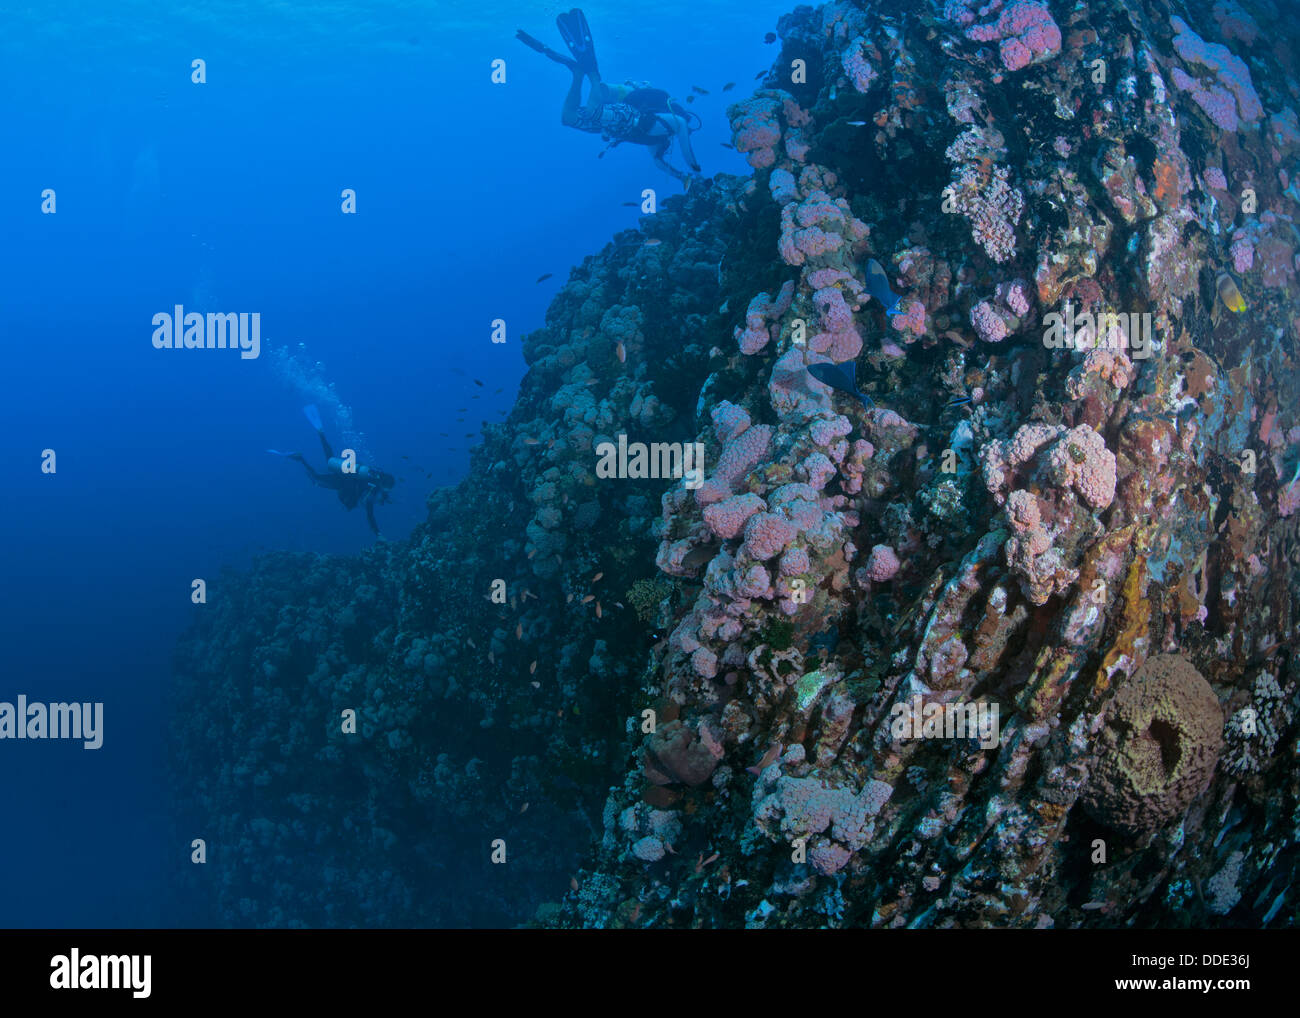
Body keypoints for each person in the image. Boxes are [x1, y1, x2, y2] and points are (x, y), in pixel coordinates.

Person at [517, 8, 703, 187]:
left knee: (568, 118)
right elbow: (682, 128)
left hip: (615, 126)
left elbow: (658, 162)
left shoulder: (659, 140)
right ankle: (593, 75)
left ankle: (577, 74)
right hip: (630, 116)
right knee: (594, 111)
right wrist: (696, 170)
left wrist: (682, 178)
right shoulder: (674, 123)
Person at [269, 405, 395, 537]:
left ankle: (321, 433)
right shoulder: (372, 489)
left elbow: (371, 503)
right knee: (316, 477)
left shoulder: (373, 478)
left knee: (329, 459)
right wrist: (378, 533)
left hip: (347, 472)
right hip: (341, 481)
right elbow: (370, 514)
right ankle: (300, 458)